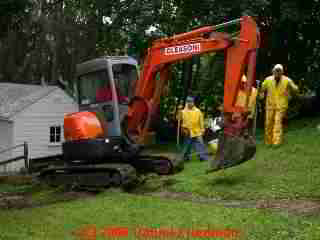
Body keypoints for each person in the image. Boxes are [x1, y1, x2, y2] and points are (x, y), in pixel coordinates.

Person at [260, 64, 299, 145]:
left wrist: (293, 91)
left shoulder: (287, 80)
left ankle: (276, 142)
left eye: (279, 71)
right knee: (268, 123)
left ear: (282, 72)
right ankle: (268, 141)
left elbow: (295, 89)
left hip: (281, 105)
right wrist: (261, 94)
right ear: (273, 71)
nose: (277, 72)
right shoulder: (268, 80)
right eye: (276, 70)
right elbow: (262, 89)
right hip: (270, 105)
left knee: (277, 123)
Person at [180, 96, 210, 162]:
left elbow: (201, 121)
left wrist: (202, 130)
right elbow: (180, 120)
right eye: (188, 102)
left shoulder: (198, 111)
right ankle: (186, 158)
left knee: (200, 144)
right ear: (186, 103)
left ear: (193, 103)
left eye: (191, 102)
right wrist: (183, 128)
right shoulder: (183, 111)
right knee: (187, 145)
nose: (189, 103)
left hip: (197, 131)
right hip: (187, 131)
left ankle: (203, 157)